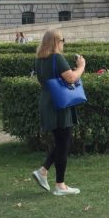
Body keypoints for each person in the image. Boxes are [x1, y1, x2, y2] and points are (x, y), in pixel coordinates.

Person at [31, 29, 85, 196]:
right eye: (62, 40)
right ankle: (59, 185)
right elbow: (71, 78)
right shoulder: (57, 58)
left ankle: (44, 171)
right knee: (64, 142)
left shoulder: (39, 59)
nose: (63, 43)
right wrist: (81, 66)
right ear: (56, 41)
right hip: (60, 102)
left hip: (48, 101)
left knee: (62, 141)